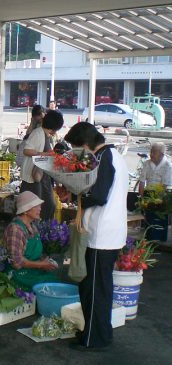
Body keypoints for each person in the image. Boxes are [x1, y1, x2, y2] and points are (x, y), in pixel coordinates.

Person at [61, 122, 128, 351]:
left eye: (78, 148)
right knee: (97, 288)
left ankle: (94, 339)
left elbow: (99, 196)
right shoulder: (112, 156)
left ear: (87, 144)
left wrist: (78, 197)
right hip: (106, 233)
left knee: (94, 290)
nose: (78, 153)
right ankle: (98, 333)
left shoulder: (106, 158)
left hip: (103, 236)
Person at [3, 191, 59, 291]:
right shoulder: (16, 229)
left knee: (55, 282)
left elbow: (35, 255)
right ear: (25, 211)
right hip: (18, 275)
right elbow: (16, 262)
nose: (40, 209)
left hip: (32, 271)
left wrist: (44, 262)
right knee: (49, 286)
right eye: (36, 206)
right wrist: (41, 265)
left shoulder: (33, 226)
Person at [20, 110, 64, 220]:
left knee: (48, 205)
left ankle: (42, 230)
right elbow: (27, 151)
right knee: (35, 207)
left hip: (42, 177)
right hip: (33, 177)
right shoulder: (37, 133)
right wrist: (43, 154)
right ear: (54, 127)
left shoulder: (45, 135)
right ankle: (36, 231)